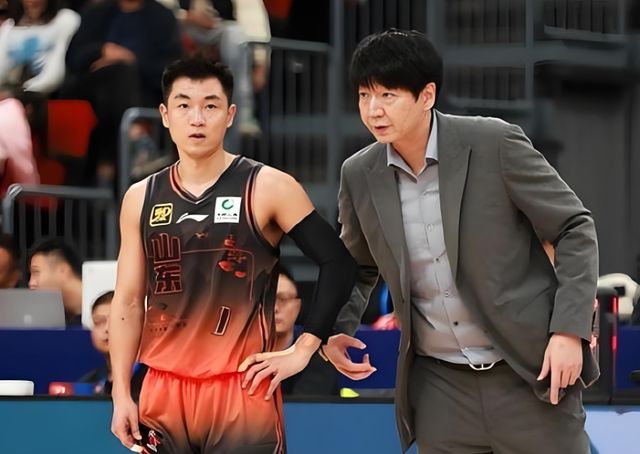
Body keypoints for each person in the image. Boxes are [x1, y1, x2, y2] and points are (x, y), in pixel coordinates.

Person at [323, 29, 599, 453]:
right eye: (364, 95)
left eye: (388, 95)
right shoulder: (358, 173)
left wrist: (569, 330)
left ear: (427, 95)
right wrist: (336, 328)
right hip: (440, 389)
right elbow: (357, 264)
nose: (373, 110)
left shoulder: (494, 143)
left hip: (527, 373)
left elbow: (574, 227)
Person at [109, 55, 357, 453]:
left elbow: (338, 263)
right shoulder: (140, 197)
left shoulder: (269, 186)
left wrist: (305, 347)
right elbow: (126, 301)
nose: (197, 118)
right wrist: (121, 392)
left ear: (230, 115)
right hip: (162, 391)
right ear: (165, 115)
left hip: (241, 388)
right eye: (184, 105)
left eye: (210, 106)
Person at [274, 264, 339, 396]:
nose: (275, 308)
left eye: (283, 299)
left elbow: (307, 405)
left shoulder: (320, 355)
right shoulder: (240, 352)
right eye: (268, 299)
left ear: (298, 306)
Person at [79, 290, 147, 397]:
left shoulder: (151, 378)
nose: (107, 329)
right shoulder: (88, 383)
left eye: (116, 321)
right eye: (98, 322)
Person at [28, 238, 83, 326]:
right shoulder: (55, 318)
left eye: (36, 272)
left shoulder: (105, 306)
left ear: (63, 271)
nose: (31, 283)